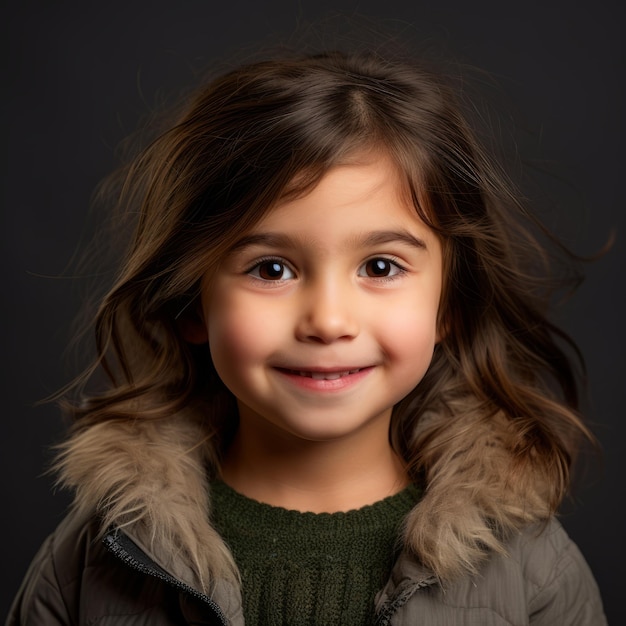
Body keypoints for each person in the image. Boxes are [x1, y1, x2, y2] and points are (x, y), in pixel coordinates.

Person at [7, 49, 606, 625]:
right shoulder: (90, 560)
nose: (327, 321)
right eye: (272, 269)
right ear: (192, 303)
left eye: (380, 267)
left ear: (450, 303)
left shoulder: (534, 570)